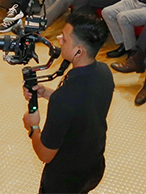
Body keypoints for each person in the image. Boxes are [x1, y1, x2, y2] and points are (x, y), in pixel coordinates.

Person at [22, 12, 113, 194]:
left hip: (65, 180)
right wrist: (47, 93)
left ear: (79, 51)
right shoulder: (104, 72)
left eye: (64, 39)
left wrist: (33, 127)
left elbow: (45, 154)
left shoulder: (63, 100)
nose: (59, 40)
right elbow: (83, 105)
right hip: (94, 165)